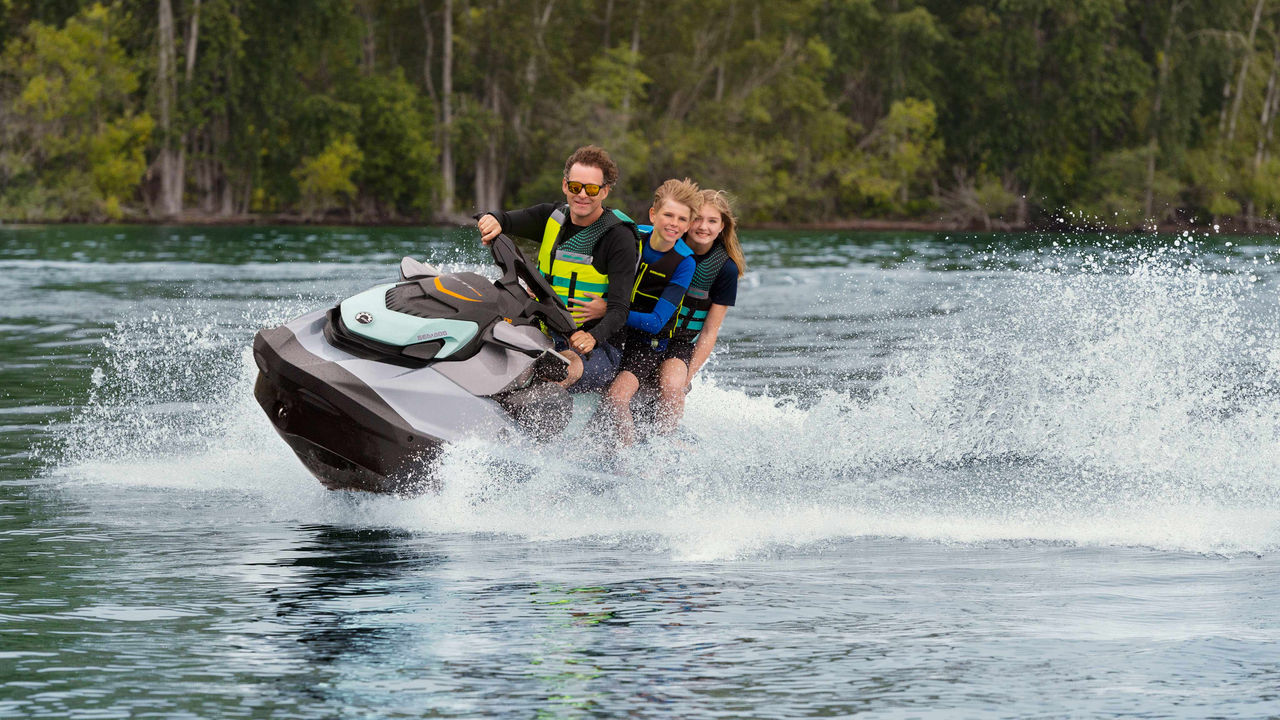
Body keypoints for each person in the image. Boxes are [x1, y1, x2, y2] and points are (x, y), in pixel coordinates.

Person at [476, 145, 640, 391]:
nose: (582, 195)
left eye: (591, 189)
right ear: (565, 186)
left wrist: (592, 337)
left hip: (596, 346)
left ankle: (537, 404)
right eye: (575, 187)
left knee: (561, 366)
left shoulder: (619, 238)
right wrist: (491, 220)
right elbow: (504, 219)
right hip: (543, 331)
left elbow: (619, 310)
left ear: (605, 191)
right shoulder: (550, 217)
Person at [594, 178, 699, 446]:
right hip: (611, 330)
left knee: (617, 397)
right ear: (653, 214)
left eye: (682, 219)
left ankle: (630, 459)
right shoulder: (630, 237)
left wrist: (608, 311)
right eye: (668, 215)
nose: (674, 223)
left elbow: (656, 322)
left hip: (647, 343)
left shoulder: (685, 263)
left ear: (688, 225)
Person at [650, 188, 746, 432]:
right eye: (697, 219)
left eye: (712, 221)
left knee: (673, 386)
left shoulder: (725, 269)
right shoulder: (666, 247)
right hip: (647, 331)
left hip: (680, 343)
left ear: (722, 226)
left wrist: (688, 376)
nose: (704, 227)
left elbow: (710, 332)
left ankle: (665, 442)